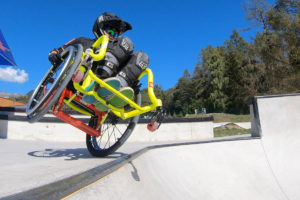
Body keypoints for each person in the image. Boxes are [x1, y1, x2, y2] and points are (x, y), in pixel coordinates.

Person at [48, 12, 149, 110]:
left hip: (109, 85)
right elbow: (59, 50)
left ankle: (116, 90)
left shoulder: (118, 47)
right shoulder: (83, 41)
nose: (112, 36)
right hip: (80, 81)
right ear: (100, 28)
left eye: (115, 35)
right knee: (117, 43)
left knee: (141, 56)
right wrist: (53, 54)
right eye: (110, 32)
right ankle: (100, 82)